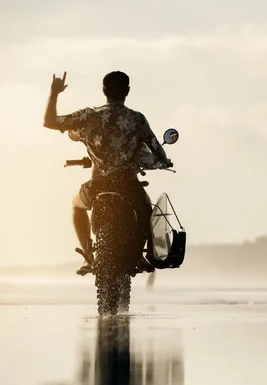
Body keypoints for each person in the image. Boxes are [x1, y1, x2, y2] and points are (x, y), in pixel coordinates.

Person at [43, 71, 172, 275]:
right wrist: (165, 162)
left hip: (99, 185)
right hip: (128, 184)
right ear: (127, 91)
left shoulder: (90, 116)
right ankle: (138, 254)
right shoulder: (137, 119)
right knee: (147, 212)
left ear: (104, 91)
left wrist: (54, 93)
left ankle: (88, 256)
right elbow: (157, 148)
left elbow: (50, 122)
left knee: (76, 205)